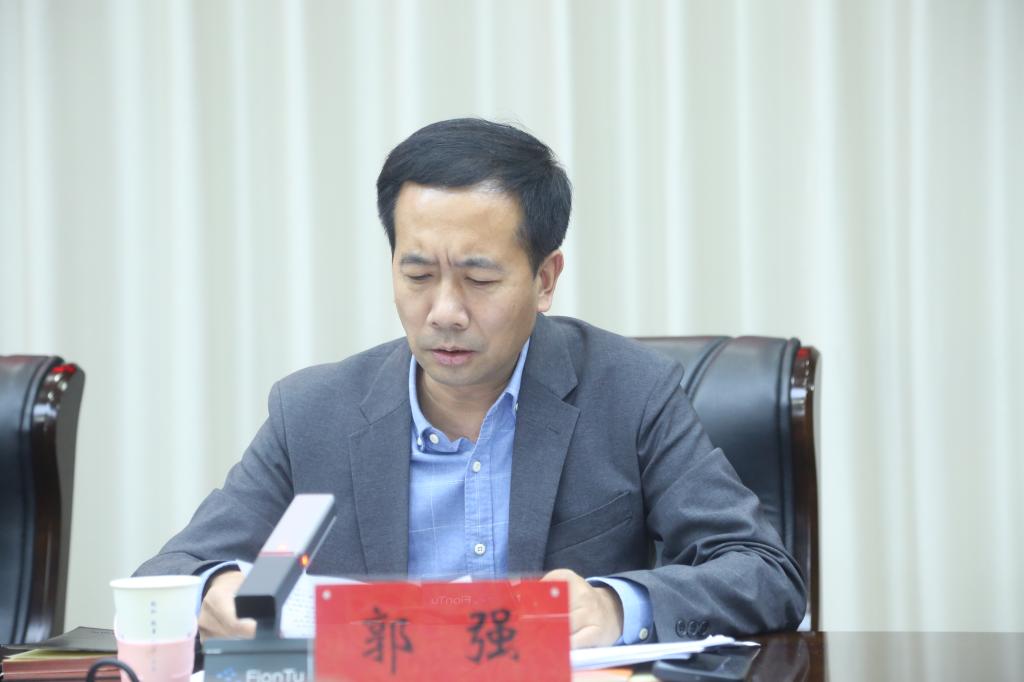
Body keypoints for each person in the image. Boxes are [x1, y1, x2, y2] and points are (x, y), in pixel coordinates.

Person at [135, 118, 805, 648]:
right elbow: (168, 573)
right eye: (418, 275)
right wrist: (216, 591)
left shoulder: (630, 393)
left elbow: (764, 572)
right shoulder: (314, 413)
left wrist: (613, 605)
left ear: (545, 279)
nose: (445, 312)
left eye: (479, 278)